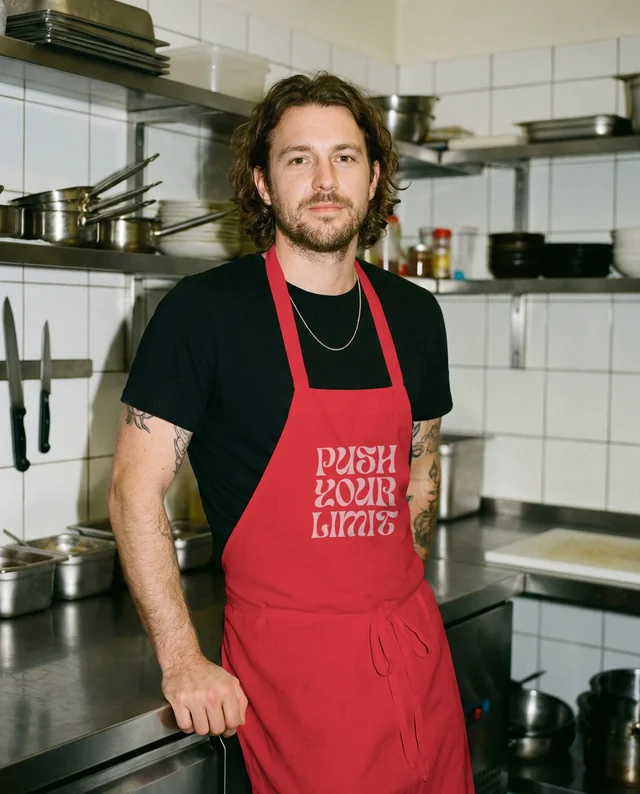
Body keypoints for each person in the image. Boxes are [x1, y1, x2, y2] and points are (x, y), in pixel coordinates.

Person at [109, 72, 473, 793]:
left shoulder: (414, 313)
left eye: (344, 156)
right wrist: (182, 657)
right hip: (293, 676)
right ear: (263, 184)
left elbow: (421, 462)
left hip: (411, 653)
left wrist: (390, 587)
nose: (325, 178)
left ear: (374, 179)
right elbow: (132, 493)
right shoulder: (204, 313)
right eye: (298, 158)